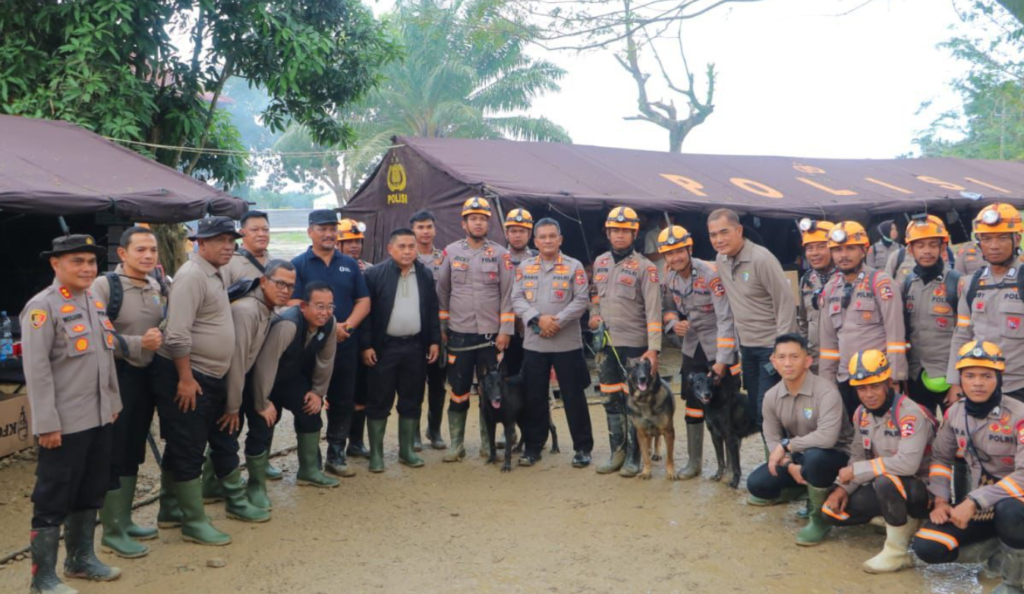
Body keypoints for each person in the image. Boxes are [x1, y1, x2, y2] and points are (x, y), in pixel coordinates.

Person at [22, 234, 123, 592]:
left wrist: (112, 404)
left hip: (98, 418)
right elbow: (37, 372)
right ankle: (43, 578)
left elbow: (105, 359)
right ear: (56, 264)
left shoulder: (93, 300)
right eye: (77, 261)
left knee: (89, 490)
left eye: (91, 262)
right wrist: (46, 424)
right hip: (63, 424)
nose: (86, 268)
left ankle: (80, 560)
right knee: (53, 496)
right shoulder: (42, 307)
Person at [151, 216, 244, 546]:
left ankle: (171, 509)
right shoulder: (192, 276)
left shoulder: (215, 271)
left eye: (231, 240)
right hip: (191, 375)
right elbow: (176, 334)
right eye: (220, 240)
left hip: (206, 374)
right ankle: (193, 522)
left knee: (183, 443)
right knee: (190, 446)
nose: (228, 246)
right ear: (200, 243)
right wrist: (186, 379)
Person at [913, 341, 1024, 593]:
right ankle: (999, 547)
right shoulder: (955, 413)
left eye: (986, 376)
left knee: (1011, 510)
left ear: (999, 378)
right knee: (927, 547)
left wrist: (973, 500)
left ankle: (1014, 581)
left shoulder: (1019, 415)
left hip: (1014, 501)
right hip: (983, 504)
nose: (977, 383)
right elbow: (941, 458)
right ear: (960, 379)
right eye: (969, 375)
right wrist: (941, 500)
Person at [821, 350, 935, 573]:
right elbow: (857, 455)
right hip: (886, 485)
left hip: (920, 489)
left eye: (874, 386)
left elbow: (907, 464)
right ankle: (901, 522)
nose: (868, 394)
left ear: (889, 383)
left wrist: (857, 471)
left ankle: (897, 552)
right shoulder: (861, 414)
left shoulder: (909, 414)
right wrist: (843, 488)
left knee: (885, 480)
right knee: (831, 511)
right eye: (861, 388)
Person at [90, 227, 165, 559]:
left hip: (145, 377)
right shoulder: (105, 286)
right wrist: (138, 344)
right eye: (140, 250)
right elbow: (91, 335)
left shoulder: (157, 284)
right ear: (122, 254)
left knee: (134, 448)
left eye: (152, 250)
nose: (148, 255)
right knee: (115, 450)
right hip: (116, 377)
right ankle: (112, 531)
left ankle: (125, 519)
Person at [748, 333, 854, 546]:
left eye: (794, 357)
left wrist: (787, 446)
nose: (788, 363)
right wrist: (788, 465)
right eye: (782, 357)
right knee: (757, 484)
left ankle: (819, 518)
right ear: (773, 361)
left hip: (836, 456)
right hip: (801, 458)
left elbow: (827, 437)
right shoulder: (771, 396)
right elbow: (771, 437)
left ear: (808, 361)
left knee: (815, 459)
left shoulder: (826, 392)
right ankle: (807, 489)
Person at [291, 209, 370, 477]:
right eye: (322, 228)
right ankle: (310, 462)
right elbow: (292, 303)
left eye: (332, 228)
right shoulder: (298, 264)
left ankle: (336, 456)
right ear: (310, 231)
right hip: (309, 347)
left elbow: (363, 301)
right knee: (309, 400)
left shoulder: (349, 263)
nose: (328, 233)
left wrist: (345, 326)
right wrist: (326, 326)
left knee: (343, 401)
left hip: (346, 343)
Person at [437, 197, 515, 462]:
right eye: (473, 218)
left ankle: (487, 444)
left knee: (489, 392)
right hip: (459, 335)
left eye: (482, 218)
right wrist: (443, 328)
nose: (478, 222)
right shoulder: (450, 252)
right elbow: (443, 291)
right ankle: (456, 445)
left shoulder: (501, 254)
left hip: (490, 338)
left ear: (488, 223)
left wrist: (505, 330)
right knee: (458, 391)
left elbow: (508, 294)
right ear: (464, 223)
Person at [658, 225, 739, 480]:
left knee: (724, 407)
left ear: (689, 248)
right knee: (693, 405)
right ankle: (694, 463)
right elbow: (667, 307)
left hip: (718, 342)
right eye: (669, 253)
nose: (675, 257)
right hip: (692, 347)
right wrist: (673, 323)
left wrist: (724, 360)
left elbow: (726, 318)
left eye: (679, 251)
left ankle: (728, 467)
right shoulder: (669, 277)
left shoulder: (710, 273)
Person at [512, 218, 594, 467]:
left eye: (552, 236)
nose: (547, 241)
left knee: (573, 397)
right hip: (535, 344)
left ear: (560, 239)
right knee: (534, 397)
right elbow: (516, 298)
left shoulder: (574, 266)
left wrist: (556, 321)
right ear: (535, 241)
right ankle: (533, 446)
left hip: (567, 343)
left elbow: (581, 300)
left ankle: (582, 448)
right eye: (542, 237)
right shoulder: (525, 267)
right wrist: (538, 321)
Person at [708, 208, 797, 433]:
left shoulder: (761, 258)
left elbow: (785, 302)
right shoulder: (721, 260)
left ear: (739, 231)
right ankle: (775, 463)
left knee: (771, 411)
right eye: (713, 235)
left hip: (770, 349)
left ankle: (787, 463)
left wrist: (783, 350)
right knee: (759, 414)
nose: (718, 240)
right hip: (747, 349)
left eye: (724, 232)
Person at [249, 281, 340, 499]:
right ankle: (256, 484)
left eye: (330, 306)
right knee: (265, 421)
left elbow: (326, 360)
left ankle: (308, 471)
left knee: (310, 410)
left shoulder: (330, 324)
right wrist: (262, 402)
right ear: (303, 306)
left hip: (291, 378)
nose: (325, 312)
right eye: (319, 306)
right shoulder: (287, 324)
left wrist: (318, 392)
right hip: (264, 379)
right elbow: (265, 364)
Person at [589, 206, 662, 477]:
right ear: (608, 233)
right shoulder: (600, 262)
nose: (619, 235)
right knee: (610, 399)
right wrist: (594, 315)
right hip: (606, 345)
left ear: (634, 234)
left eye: (625, 231)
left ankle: (634, 456)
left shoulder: (647, 268)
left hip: (635, 347)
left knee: (635, 402)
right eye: (615, 230)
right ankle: (616, 452)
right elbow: (595, 295)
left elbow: (654, 312)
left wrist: (653, 350)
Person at [361, 228, 441, 471]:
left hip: (415, 347)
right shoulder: (374, 275)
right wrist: (366, 345)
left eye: (411, 246)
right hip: (384, 348)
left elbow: (432, 310)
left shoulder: (425, 274)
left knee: (412, 399)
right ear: (390, 249)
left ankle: (406, 451)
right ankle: (376, 454)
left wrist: (434, 340)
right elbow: (366, 315)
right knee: (378, 401)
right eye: (402, 246)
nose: (407, 251)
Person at [219, 260, 295, 515]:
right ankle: (225, 494)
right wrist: (233, 405)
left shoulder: (267, 308)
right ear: (263, 282)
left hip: (245, 377)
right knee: (227, 433)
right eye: (280, 284)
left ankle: (254, 486)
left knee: (261, 423)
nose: (285, 290)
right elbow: (236, 362)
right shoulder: (247, 311)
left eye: (291, 286)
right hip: (226, 381)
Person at [818, 221, 907, 420]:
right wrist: (826, 386)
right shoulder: (830, 289)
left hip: (879, 380)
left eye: (850, 248)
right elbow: (828, 346)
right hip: (846, 380)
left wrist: (895, 378)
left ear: (864, 250)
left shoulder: (881, 283)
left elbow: (895, 336)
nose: (844, 255)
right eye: (838, 250)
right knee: (853, 439)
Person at [948, 203, 1024, 402]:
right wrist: (955, 382)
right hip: (980, 388)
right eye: (986, 239)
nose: (994, 246)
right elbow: (962, 335)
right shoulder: (970, 284)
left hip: (1018, 386)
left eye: (1001, 238)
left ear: (1016, 239)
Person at [899, 215, 961, 414]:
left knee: (954, 435)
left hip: (947, 376)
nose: (927, 251)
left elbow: (966, 336)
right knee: (922, 433)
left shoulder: (956, 283)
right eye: (921, 245)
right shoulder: (907, 284)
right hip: (916, 375)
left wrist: (957, 382)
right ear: (910, 250)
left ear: (943, 248)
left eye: (933, 245)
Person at [411, 209, 448, 450]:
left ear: (435, 229)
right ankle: (412, 433)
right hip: (413, 329)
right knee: (412, 384)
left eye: (429, 227)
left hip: (441, 329)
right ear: (413, 230)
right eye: (420, 227)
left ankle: (434, 430)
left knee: (438, 383)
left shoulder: (445, 258)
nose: (425, 232)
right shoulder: (405, 256)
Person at [337, 218, 372, 460]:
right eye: (348, 242)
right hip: (335, 339)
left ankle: (356, 442)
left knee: (362, 393)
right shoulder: (333, 269)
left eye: (357, 242)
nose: (354, 246)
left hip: (363, 339)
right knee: (336, 395)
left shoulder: (370, 269)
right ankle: (335, 442)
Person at [795, 219, 838, 373]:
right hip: (815, 362)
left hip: (843, 362)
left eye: (821, 247)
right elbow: (803, 322)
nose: (814, 253)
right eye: (809, 248)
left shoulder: (849, 280)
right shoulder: (807, 280)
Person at [223, 210, 271, 286]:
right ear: (242, 233)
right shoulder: (228, 263)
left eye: (265, 230)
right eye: (254, 230)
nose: (261, 234)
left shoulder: (276, 263)